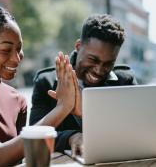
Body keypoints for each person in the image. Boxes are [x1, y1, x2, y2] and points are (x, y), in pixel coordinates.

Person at [0, 5, 71, 166]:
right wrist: (62, 108)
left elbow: (16, 160)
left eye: (19, 49)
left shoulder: (17, 100)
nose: (16, 58)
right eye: (6, 50)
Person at [29, 14, 138, 156]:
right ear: (79, 46)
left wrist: (87, 113)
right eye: (93, 59)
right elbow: (34, 134)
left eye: (108, 63)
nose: (99, 70)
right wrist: (70, 137)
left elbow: (136, 131)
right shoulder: (46, 82)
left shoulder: (125, 81)